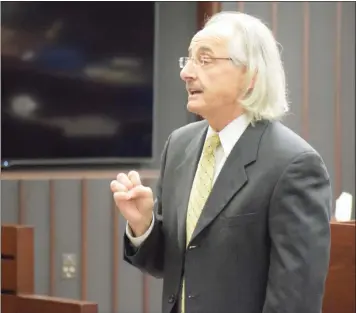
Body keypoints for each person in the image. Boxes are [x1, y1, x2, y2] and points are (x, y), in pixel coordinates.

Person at [110, 11, 332, 313]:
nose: (186, 72)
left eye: (205, 59)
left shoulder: (293, 165)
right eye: (187, 59)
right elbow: (173, 263)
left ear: (251, 75)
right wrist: (144, 225)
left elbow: (296, 300)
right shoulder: (180, 145)